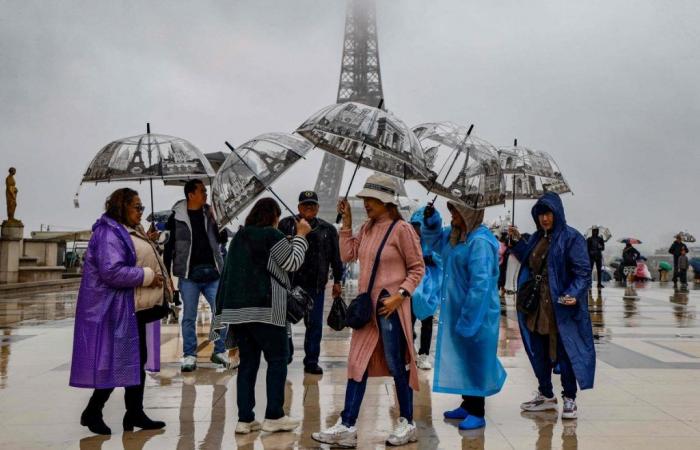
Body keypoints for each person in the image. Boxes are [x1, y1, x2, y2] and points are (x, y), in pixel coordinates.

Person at [312, 174, 425, 448]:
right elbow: (347, 254)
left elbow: (417, 267)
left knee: (398, 364)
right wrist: (347, 224)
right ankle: (348, 425)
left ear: (385, 202)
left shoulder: (402, 229)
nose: (365, 203)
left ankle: (407, 422)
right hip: (367, 308)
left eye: (370, 199)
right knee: (356, 364)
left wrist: (400, 296)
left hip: (389, 309)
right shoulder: (367, 228)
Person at [70, 188, 167, 435]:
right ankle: (93, 410)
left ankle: (134, 412)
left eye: (142, 207)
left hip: (131, 306)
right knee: (117, 360)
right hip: (114, 307)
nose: (141, 212)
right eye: (137, 207)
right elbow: (111, 271)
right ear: (121, 207)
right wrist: (146, 276)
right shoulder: (108, 233)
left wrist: (150, 243)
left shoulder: (127, 230)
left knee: (135, 359)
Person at [212, 197, 311, 434]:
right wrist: (301, 236)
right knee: (277, 360)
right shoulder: (271, 235)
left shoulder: (240, 238)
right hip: (267, 309)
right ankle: (274, 415)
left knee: (248, 364)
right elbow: (292, 262)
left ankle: (245, 419)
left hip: (240, 313)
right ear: (273, 217)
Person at [508, 192, 594, 420]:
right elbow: (529, 259)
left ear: (557, 213)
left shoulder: (571, 238)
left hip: (561, 307)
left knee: (565, 353)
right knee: (539, 351)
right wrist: (516, 242)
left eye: (548, 213)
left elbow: (583, 273)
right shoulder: (537, 238)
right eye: (540, 214)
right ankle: (546, 394)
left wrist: (573, 294)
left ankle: (569, 398)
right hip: (538, 308)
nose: (544, 218)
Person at [436, 202, 507, 431]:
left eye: (456, 210)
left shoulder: (480, 242)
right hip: (460, 309)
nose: (452, 215)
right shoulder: (458, 236)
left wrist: (469, 317)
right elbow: (434, 243)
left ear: (468, 212)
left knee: (476, 357)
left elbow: (481, 285)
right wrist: (429, 221)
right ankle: (468, 404)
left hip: (477, 313)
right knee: (464, 357)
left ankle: (478, 411)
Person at [164, 179, 230, 372]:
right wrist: (167, 274)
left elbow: (222, 238)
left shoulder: (210, 213)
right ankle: (189, 355)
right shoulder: (176, 217)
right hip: (189, 275)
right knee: (189, 316)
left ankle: (219, 350)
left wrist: (220, 222)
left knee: (220, 312)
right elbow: (168, 248)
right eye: (202, 191)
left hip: (213, 273)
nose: (205, 194)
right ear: (191, 194)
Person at [278, 190, 343, 375]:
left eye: (312, 205)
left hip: (316, 286)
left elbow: (335, 258)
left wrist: (338, 280)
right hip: (290, 284)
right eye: (305, 205)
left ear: (318, 208)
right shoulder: (286, 225)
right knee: (284, 322)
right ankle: (286, 353)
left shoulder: (327, 229)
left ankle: (312, 360)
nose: (309, 208)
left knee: (314, 325)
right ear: (298, 207)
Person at [408, 206, 443, 370]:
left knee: (427, 320)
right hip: (414, 281)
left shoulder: (433, 240)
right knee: (409, 319)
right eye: (415, 226)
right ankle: (409, 351)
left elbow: (440, 257)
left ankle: (423, 354)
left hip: (430, 283)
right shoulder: (410, 240)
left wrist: (428, 258)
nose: (417, 230)